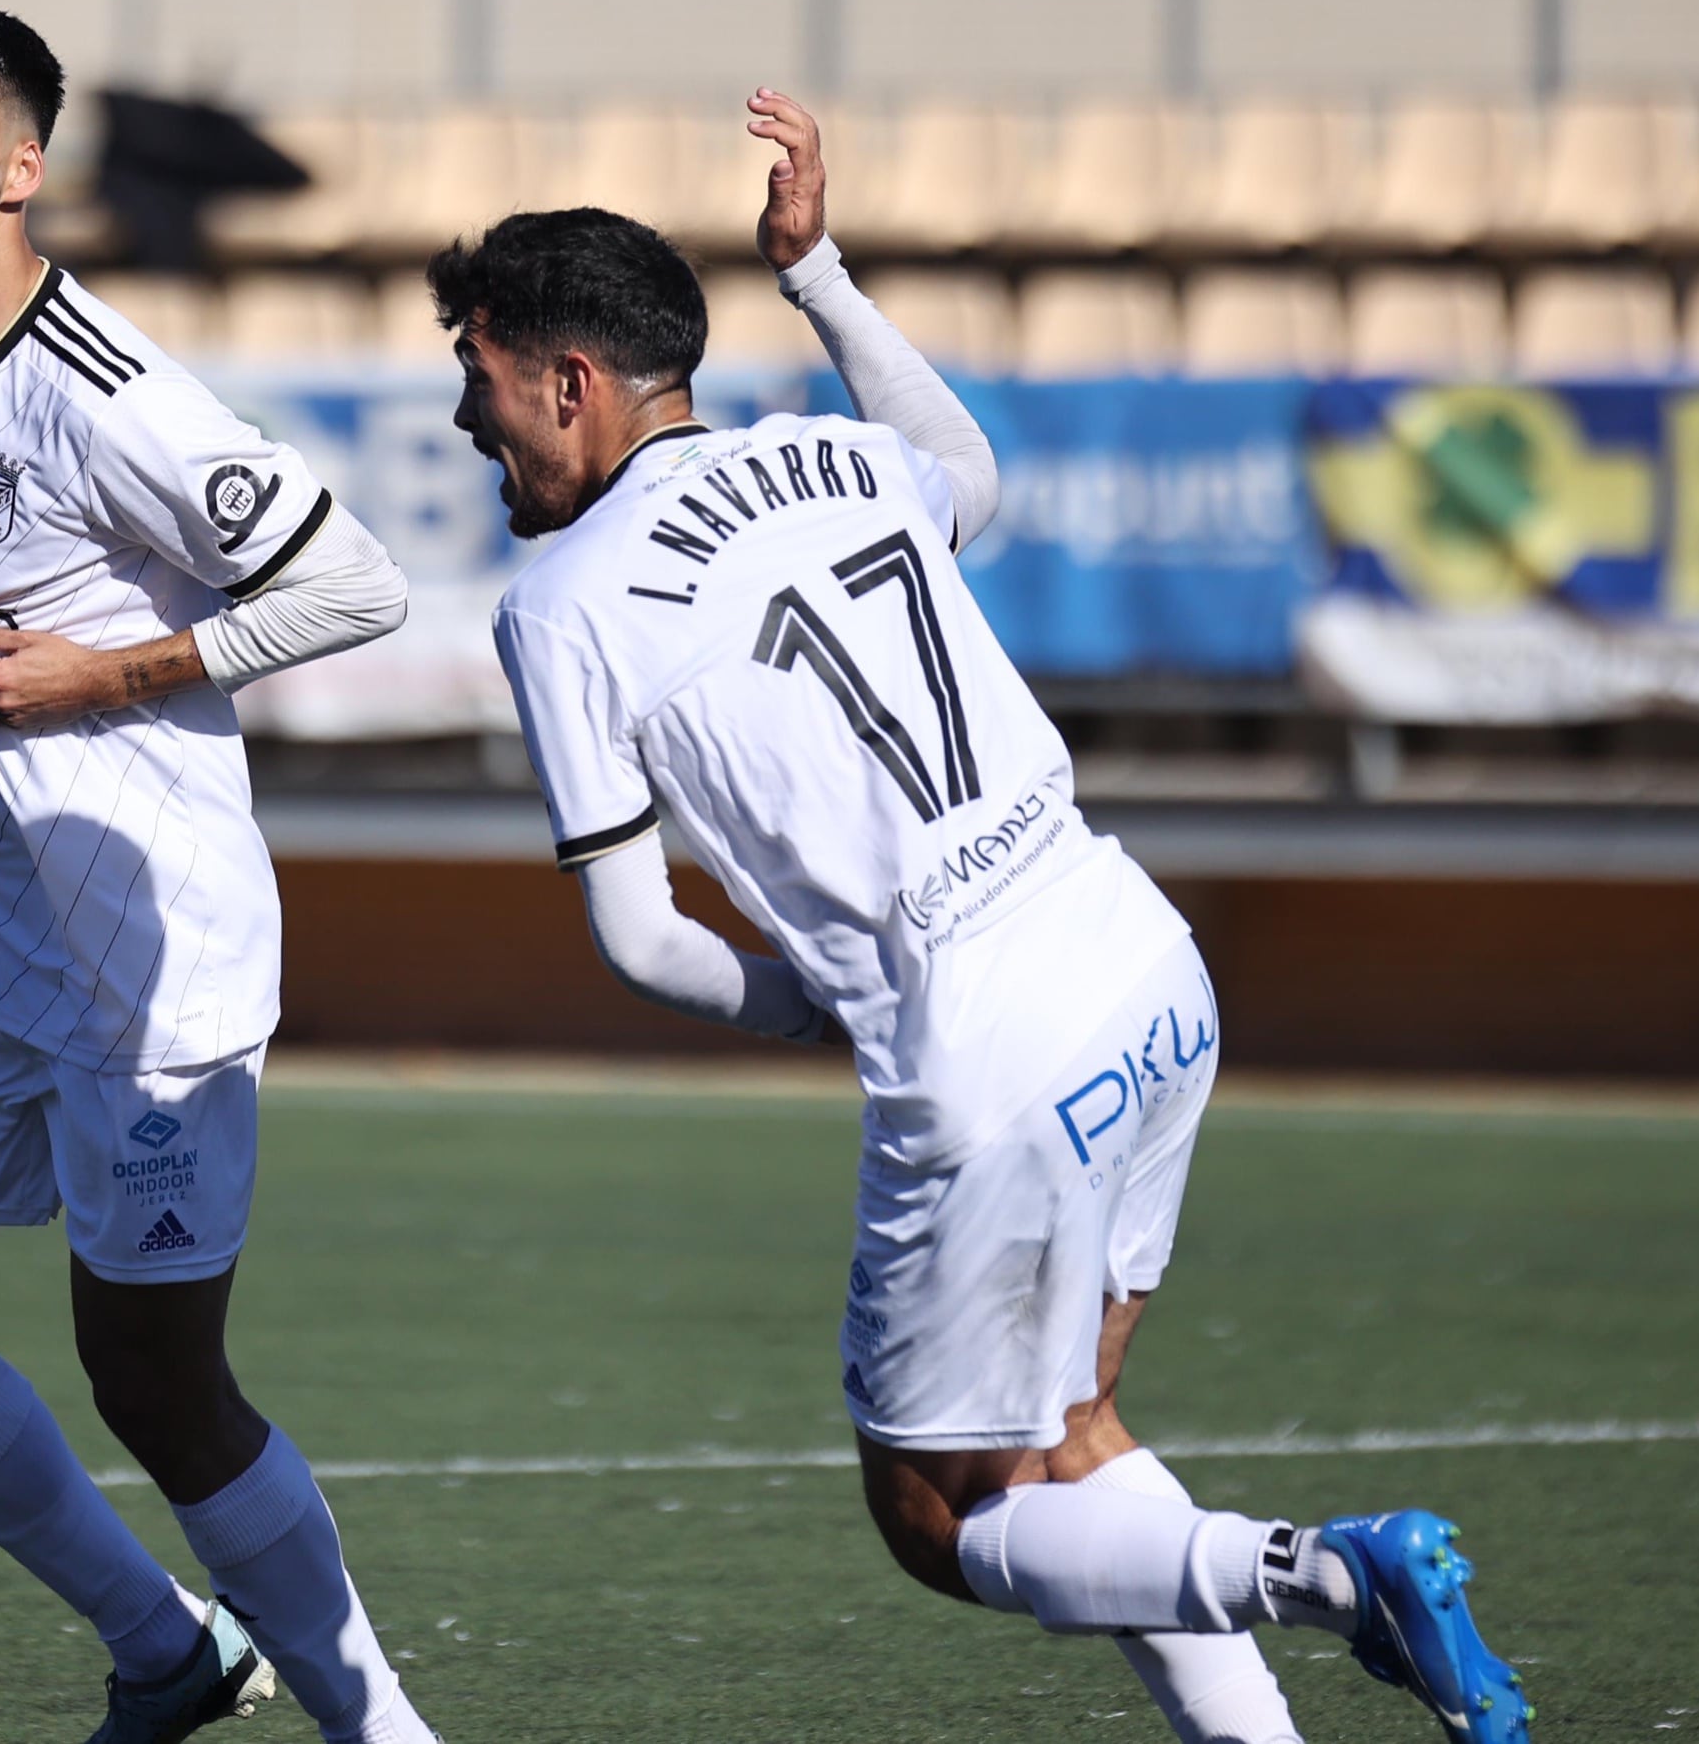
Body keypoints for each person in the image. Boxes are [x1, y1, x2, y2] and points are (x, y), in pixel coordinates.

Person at [437, 90, 1533, 1744]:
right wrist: (820, 277)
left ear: (566, 381)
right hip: (1143, 963)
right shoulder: (839, 455)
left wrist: (819, 1006)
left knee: (939, 1516)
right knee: (1066, 1429)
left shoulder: (563, 604)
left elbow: (644, 938)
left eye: (481, 377)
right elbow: (971, 469)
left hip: (985, 1050)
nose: (471, 418)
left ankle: (1321, 1571)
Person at [0, 0, 443, 1744]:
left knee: (156, 1376)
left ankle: (383, 1729)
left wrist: (110, 676)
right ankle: (166, 1652)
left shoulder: (112, 390)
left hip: (156, 939)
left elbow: (357, 585)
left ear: (23, 169)